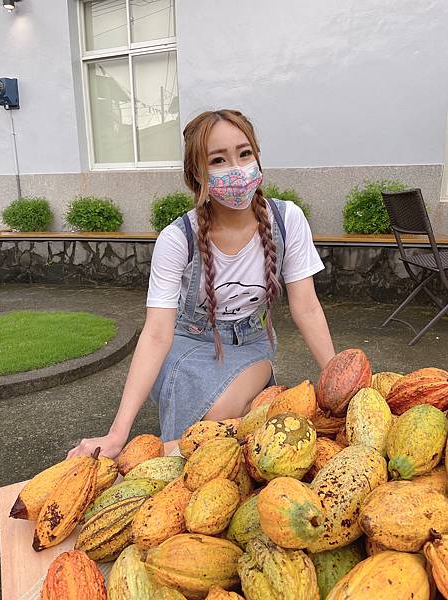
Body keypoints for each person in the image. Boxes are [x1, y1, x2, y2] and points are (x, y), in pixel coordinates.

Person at [68, 109, 335, 458]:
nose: (237, 169)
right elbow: (156, 334)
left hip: (250, 340)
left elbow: (307, 307)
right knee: (208, 431)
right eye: (218, 160)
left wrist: (340, 384)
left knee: (219, 419)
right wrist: (117, 434)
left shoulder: (286, 221)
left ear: (257, 156)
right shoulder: (179, 239)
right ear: (197, 172)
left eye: (244, 153)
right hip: (187, 341)